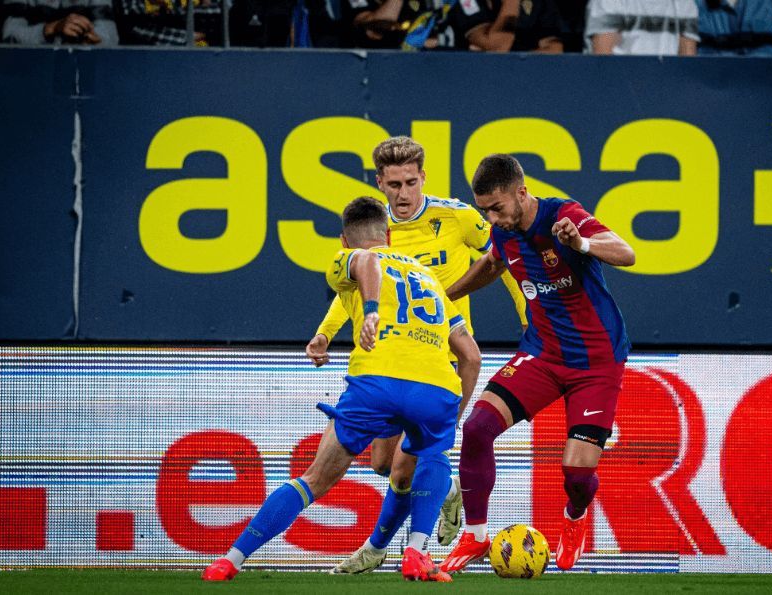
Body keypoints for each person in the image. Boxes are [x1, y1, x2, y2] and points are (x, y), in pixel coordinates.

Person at [203, 196, 481, 582]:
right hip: (435, 386)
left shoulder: (350, 259)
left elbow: (366, 261)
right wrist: (453, 414)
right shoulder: (428, 278)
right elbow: (471, 356)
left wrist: (370, 311)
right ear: (388, 234)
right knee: (426, 455)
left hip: (377, 380)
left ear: (344, 242)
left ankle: (230, 560)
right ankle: (416, 553)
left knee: (314, 479)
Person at [307, 136, 527, 574]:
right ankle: (444, 489)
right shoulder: (376, 232)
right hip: (394, 359)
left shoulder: (459, 217)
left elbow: (506, 258)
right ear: (380, 183)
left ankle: (382, 548)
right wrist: (324, 334)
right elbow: (355, 286)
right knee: (387, 465)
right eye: (394, 185)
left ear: (423, 177)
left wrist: (530, 319)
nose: (403, 194)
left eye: (410, 182)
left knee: (413, 464)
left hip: (443, 360)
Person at [440, 154, 635, 573]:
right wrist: (444, 299)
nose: (492, 217)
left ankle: (575, 518)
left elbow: (626, 252)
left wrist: (581, 244)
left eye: (498, 208)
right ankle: (475, 538)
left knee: (576, 478)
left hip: (597, 362)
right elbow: (493, 263)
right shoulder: (503, 232)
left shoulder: (564, 216)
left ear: (522, 193)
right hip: (543, 352)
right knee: (476, 428)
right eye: (484, 210)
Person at [585, 0, 699, 55]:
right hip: (619, 88)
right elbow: (603, 61)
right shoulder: (607, 1)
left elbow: (687, 63)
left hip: (667, 90)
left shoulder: (685, 4)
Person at [451, 0, 567, 52]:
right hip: (475, 80)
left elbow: (555, 48)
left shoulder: (540, 2)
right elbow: (499, 45)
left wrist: (518, 60)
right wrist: (512, 2)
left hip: (524, 81)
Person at [2, 0, 118, 44]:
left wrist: (89, 37)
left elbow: (110, 38)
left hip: (81, 69)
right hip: (33, 69)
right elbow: (9, 37)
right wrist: (52, 29)